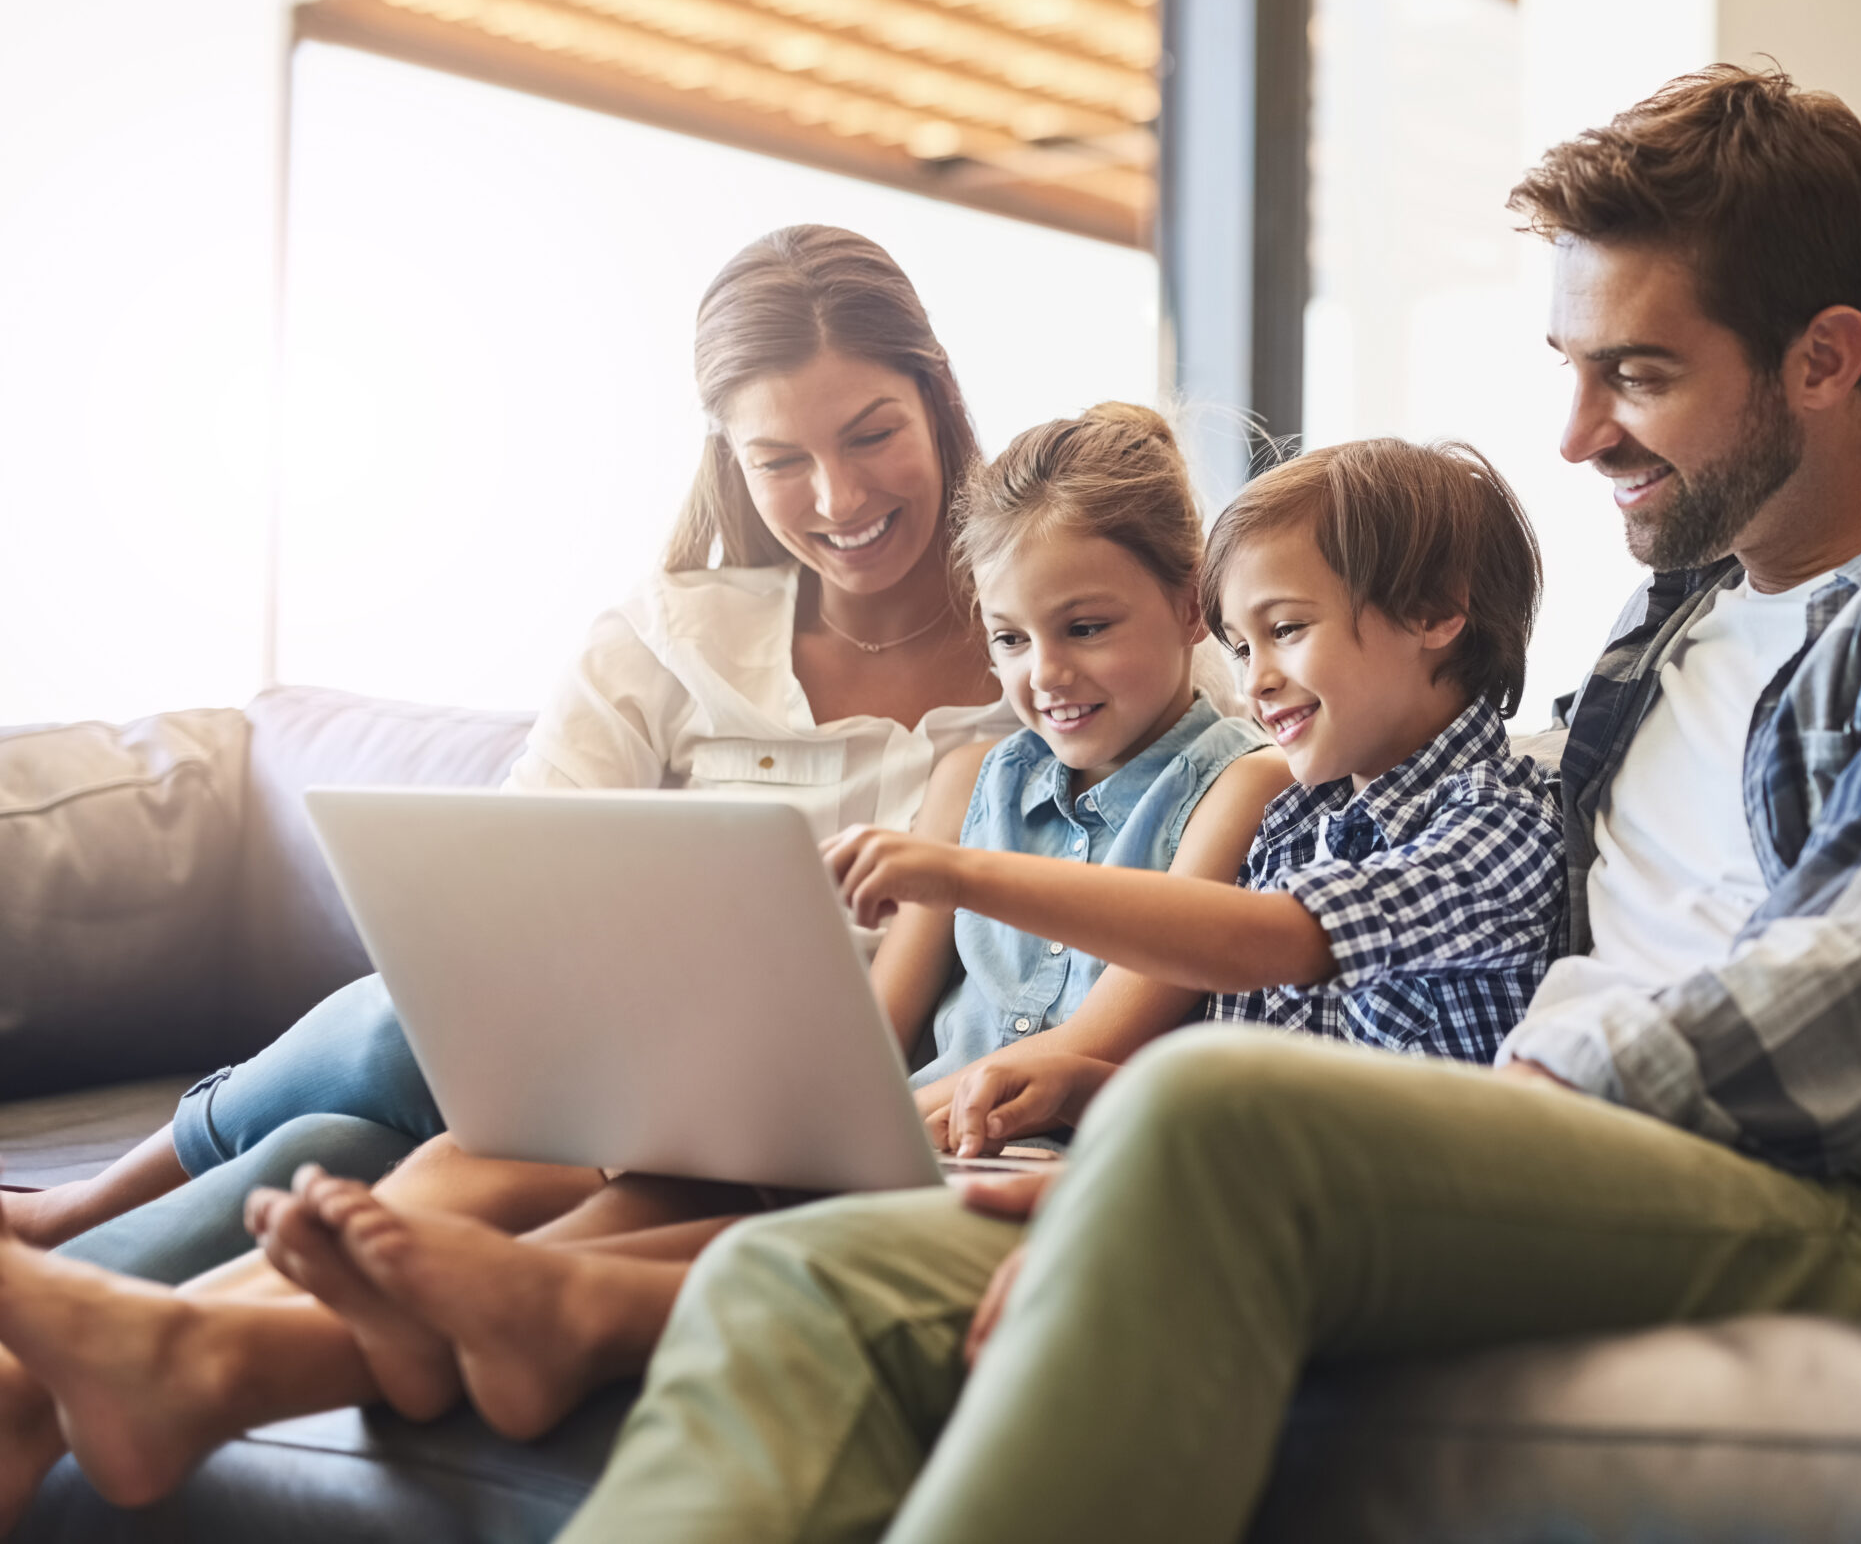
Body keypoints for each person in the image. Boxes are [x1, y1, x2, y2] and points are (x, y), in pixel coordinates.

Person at [543, 63, 1861, 1544]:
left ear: (1826, 355)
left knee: (1217, 1112)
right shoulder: (1675, 622)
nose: (1577, 432)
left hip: (1859, 1197)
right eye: (1571, 364)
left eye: (1639, 375)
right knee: (795, 1279)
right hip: (1537, 1159)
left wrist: (1436, 1121)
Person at [0, 398, 1291, 1521]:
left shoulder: (1236, 784)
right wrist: (751, 1092)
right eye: (1010, 639)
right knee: (503, 1150)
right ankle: (113, 1365)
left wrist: (888, 1093)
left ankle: (213, 1353)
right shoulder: (972, 770)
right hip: (886, 1120)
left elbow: (1108, 1031)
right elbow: (884, 1016)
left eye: (1086, 626)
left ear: (1190, 606)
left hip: (1013, 1151)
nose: (1045, 675)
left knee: (592, 1230)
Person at [229, 433, 1562, 1457]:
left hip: (1290, 1189)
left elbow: (1255, 953)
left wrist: (964, 879)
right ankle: (287, 1321)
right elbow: (1190, 1037)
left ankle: (512, 1307)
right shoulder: (1318, 805)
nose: (1260, 675)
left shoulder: (1479, 815)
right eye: (1248, 639)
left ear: (1438, 614)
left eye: (1284, 633)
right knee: (548, 1148)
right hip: (1132, 1136)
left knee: (769, 1213)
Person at [2, 224, 1023, 1285]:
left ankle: (79, 1225)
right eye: (779, 459)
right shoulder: (669, 638)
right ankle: (55, 1335)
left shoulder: (1055, 661)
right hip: (606, 1061)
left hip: (839, 1100)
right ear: (729, 455)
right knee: (346, 1141)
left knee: (391, 1082)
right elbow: (505, 889)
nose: (838, 497)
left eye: (870, 435)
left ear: (937, 395)